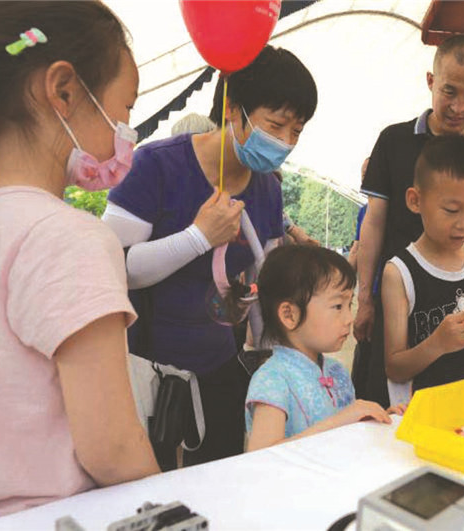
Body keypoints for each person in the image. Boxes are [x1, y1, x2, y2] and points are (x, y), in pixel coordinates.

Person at [0, 2, 159, 525]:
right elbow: (113, 449)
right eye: (125, 108)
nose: (126, 132)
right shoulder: (69, 239)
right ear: (63, 90)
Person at [102, 45, 318, 467]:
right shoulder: (156, 166)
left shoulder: (267, 191)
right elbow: (113, 268)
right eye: (275, 125)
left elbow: (264, 283)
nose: (285, 143)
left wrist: (278, 362)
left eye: (296, 131)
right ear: (232, 108)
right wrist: (199, 237)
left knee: (221, 477)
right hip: (144, 372)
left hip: (219, 367)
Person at [355, 35, 464, 406]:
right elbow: (374, 223)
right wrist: (365, 297)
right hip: (405, 293)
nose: (459, 106)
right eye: (449, 91)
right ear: (431, 81)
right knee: (395, 390)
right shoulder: (394, 142)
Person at [381, 136, 464, 399]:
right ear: (415, 200)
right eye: (451, 210)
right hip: (438, 409)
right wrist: (437, 344)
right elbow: (395, 368)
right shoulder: (399, 272)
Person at [245, 246, 402, 451]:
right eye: (337, 306)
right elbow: (261, 455)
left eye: (349, 305)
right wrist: (343, 419)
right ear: (289, 315)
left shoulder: (337, 371)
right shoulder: (272, 380)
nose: (349, 318)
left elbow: (348, 435)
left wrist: (377, 422)